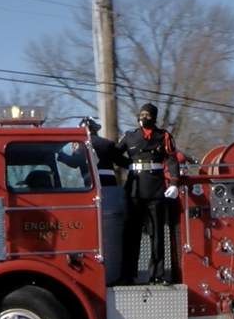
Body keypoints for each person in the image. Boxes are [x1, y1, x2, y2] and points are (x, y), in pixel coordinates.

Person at [114, 103, 181, 285]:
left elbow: (172, 159)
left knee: (157, 233)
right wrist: (127, 164)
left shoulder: (163, 136)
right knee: (131, 233)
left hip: (156, 188)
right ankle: (127, 275)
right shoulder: (130, 136)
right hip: (134, 188)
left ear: (154, 117)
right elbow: (114, 153)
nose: (144, 117)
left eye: (147, 115)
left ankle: (157, 275)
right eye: (141, 114)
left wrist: (174, 182)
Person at [58, 117, 130, 186]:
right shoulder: (108, 143)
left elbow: (74, 162)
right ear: (95, 129)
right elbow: (121, 161)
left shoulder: (82, 144)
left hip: (92, 183)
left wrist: (60, 154)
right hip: (110, 182)